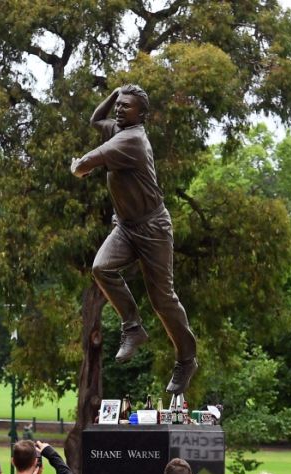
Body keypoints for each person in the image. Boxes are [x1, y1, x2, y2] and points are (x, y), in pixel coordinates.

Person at [70, 84, 198, 395]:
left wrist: (76, 166)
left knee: (163, 300)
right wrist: (114, 93)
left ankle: (186, 359)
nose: (118, 109)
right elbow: (95, 121)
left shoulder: (132, 140)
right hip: (126, 227)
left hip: (153, 228)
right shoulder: (119, 129)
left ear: (141, 115)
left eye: (126, 106)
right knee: (101, 268)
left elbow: (84, 164)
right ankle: (133, 328)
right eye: (119, 104)